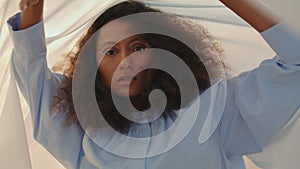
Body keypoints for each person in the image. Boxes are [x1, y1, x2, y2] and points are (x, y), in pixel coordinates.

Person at [7, 0, 300, 169]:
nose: (125, 61)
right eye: (110, 52)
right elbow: (32, 72)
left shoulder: (213, 110)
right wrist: (33, 15)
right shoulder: (84, 135)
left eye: (138, 47)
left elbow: (295, 61)